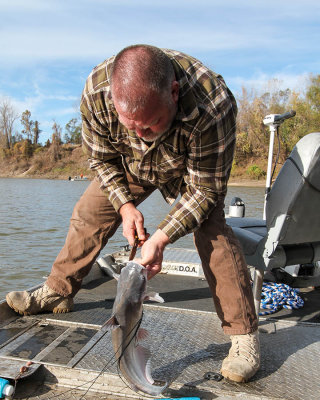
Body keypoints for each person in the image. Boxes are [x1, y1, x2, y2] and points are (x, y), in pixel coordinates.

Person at [6, 44, 260, 383]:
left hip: (188, 170)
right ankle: (58, 290)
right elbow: (101, 160)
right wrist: (126, 206)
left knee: (213, 233)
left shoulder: (213, 105)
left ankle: (243, 335)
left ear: (173, 92)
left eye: (152, 122)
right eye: (131, 125)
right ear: (113, 98)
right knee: (90, 212)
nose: (141, 134)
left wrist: (160, 237)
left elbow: (205, 191)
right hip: (129, 166)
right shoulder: (97, 92)